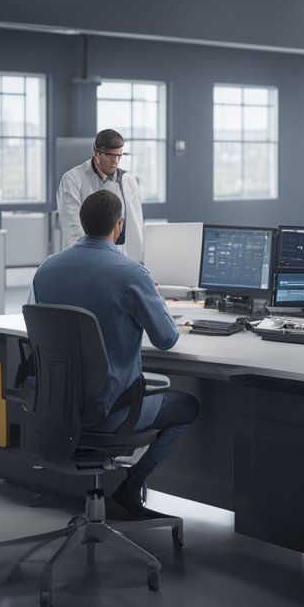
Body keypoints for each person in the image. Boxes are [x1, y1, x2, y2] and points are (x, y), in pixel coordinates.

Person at [32, 190, 198, 518]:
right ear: (119, 226)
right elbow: (166, 338)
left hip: (57, 410)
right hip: (112, 413)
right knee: (187, 407)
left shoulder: (46, 270)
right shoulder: (131, 273)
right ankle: (130, 486)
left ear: (81, 223)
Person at [57, 129, 145, 262]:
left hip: (119, 256)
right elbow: (72, 227)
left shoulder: (127, 180)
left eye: (119, 156)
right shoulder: (73, 179)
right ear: (96, 153)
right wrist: (80, 261)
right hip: (85, 257)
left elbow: (135, 226)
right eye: (110, 156)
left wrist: (139, 262)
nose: (115, 161)